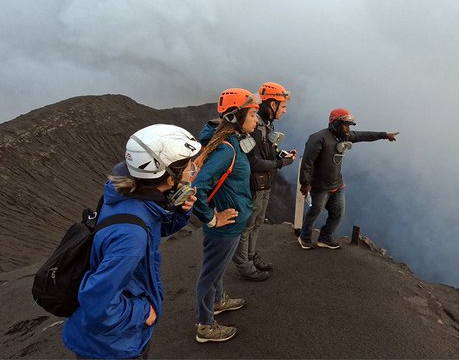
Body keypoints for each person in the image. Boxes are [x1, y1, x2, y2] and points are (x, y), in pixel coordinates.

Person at [62, 124, 202, 359]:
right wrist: (143, 313)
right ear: (169, 177)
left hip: (110, 339)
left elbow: (153, 230)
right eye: (189, 164)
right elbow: (97, 301)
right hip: (113, 346)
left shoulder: (127, 196)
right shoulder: (130, 235)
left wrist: (180, 212)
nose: (193, 169)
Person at [190, 88, 260, 343]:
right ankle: (204, 326)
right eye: (252, 114)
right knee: (209, 274)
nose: (257, 119)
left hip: (232, 225)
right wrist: (211, 218)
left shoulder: (233, 145)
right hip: (223, 227)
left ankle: (218, 301)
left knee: (217, 270)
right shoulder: (226, 150)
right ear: (236, 116)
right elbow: (197, 188)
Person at [298, 108, 399, 250]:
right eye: (346, 124)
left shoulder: (344, 136)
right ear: (335, 123)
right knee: (314, 213)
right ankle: (304, 237)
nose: (348, 128)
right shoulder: (318, 138)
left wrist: (383, 135)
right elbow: (307, 162)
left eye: (349, 125)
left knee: (338, 214)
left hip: (337, 185)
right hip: (320, 186)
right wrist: (305, 183)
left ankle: (325, 238)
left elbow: (363, 135)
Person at [233, 82, 296, 281]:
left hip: (263, 184)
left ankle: (251, 257)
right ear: (271, 104)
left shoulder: (265, 125)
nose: (285, 111)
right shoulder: (256, 127)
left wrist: (280, 154)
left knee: (257, 223)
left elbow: (265, 150)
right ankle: (244, 265)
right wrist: (280, 163)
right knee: (248, 224)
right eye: (283, 106)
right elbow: (253, 161)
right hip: (254, 184)